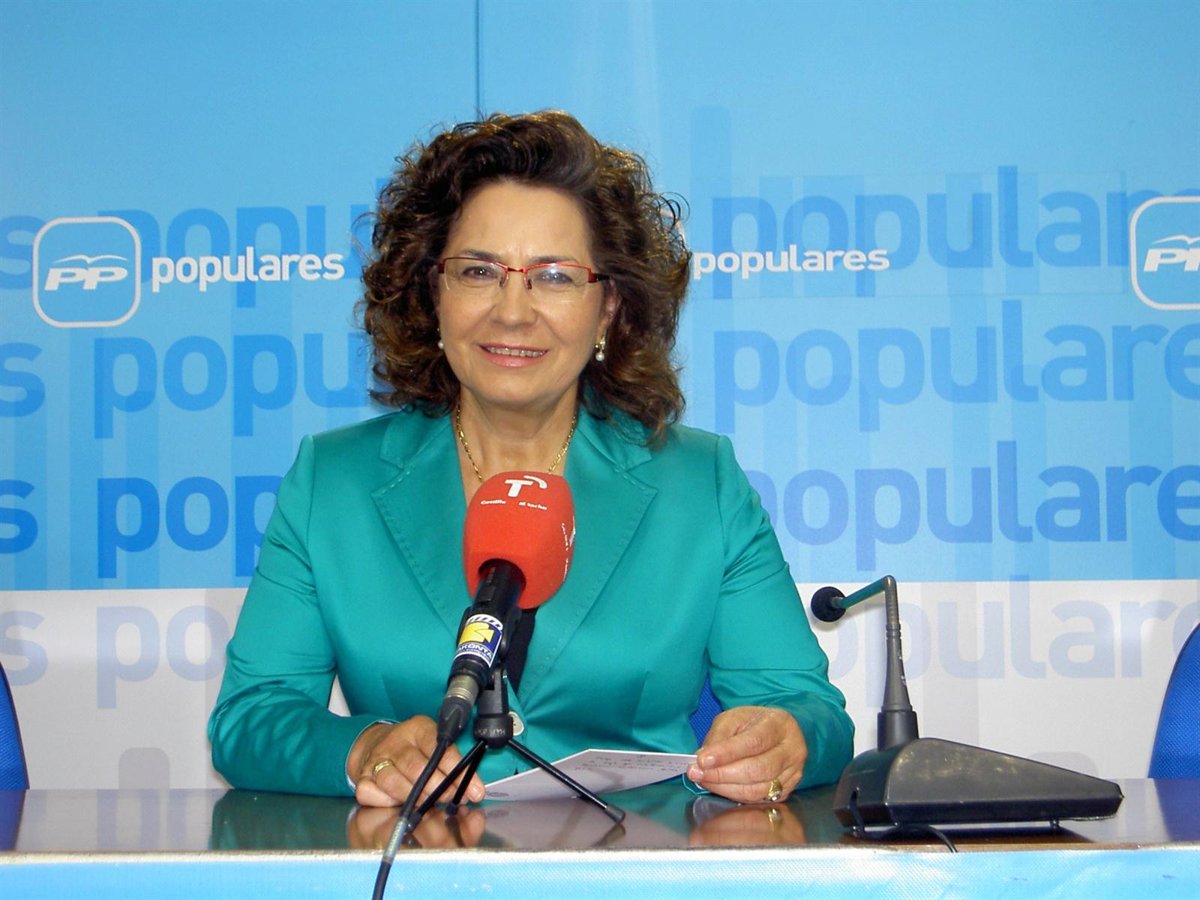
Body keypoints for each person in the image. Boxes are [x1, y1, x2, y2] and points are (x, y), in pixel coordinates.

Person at [208, 111, 853, 808]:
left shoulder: (700, 484)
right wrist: (363, 750)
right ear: (433, 293)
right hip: (424, 859)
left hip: (639, 858)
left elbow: (808, 710)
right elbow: (251, 718)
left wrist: (786, 739)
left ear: (608, 308)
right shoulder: (332, 483)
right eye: (478, 271)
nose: (512, 312)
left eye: (554, 276)